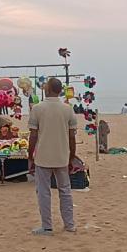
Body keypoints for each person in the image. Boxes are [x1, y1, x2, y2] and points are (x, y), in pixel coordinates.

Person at [28, 78, 77, 236]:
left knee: (43, 192)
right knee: (65, 191)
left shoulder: (37, 109)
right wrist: (72, 156)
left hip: (43, 157)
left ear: (47, 89)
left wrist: (30, 155)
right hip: (62, 156)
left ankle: (47, 227)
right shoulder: (67, 109)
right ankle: (69, 224)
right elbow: (72, 137)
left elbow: (33, 136)